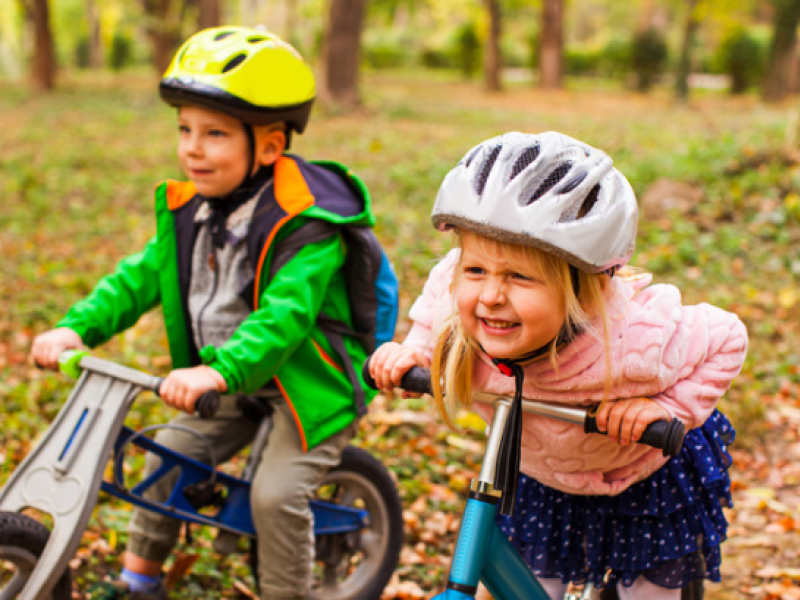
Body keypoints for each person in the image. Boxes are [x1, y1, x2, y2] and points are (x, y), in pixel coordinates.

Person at [31, 26, 380, 600]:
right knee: (167, 457)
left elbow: (284, 318)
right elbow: (139, 277)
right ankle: (139, 582)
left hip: (307, 385)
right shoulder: (194, 211)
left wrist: (217, 371)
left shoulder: (310, 226)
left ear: (269, 146)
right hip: (231, 383)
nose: (193, 148)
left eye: (215, 133)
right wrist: (77, 325)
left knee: (274, 495)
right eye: (185, 130)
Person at [369, 131, 747, 599]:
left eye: (519, 277)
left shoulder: (633, 344)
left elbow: (728, 337)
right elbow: (439, 304)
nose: (490, 296)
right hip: (543, 478)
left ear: (580, 290)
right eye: (477, 271)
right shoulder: (456, 290)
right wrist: (417, 351)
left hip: (640, 476)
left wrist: (667, 408)